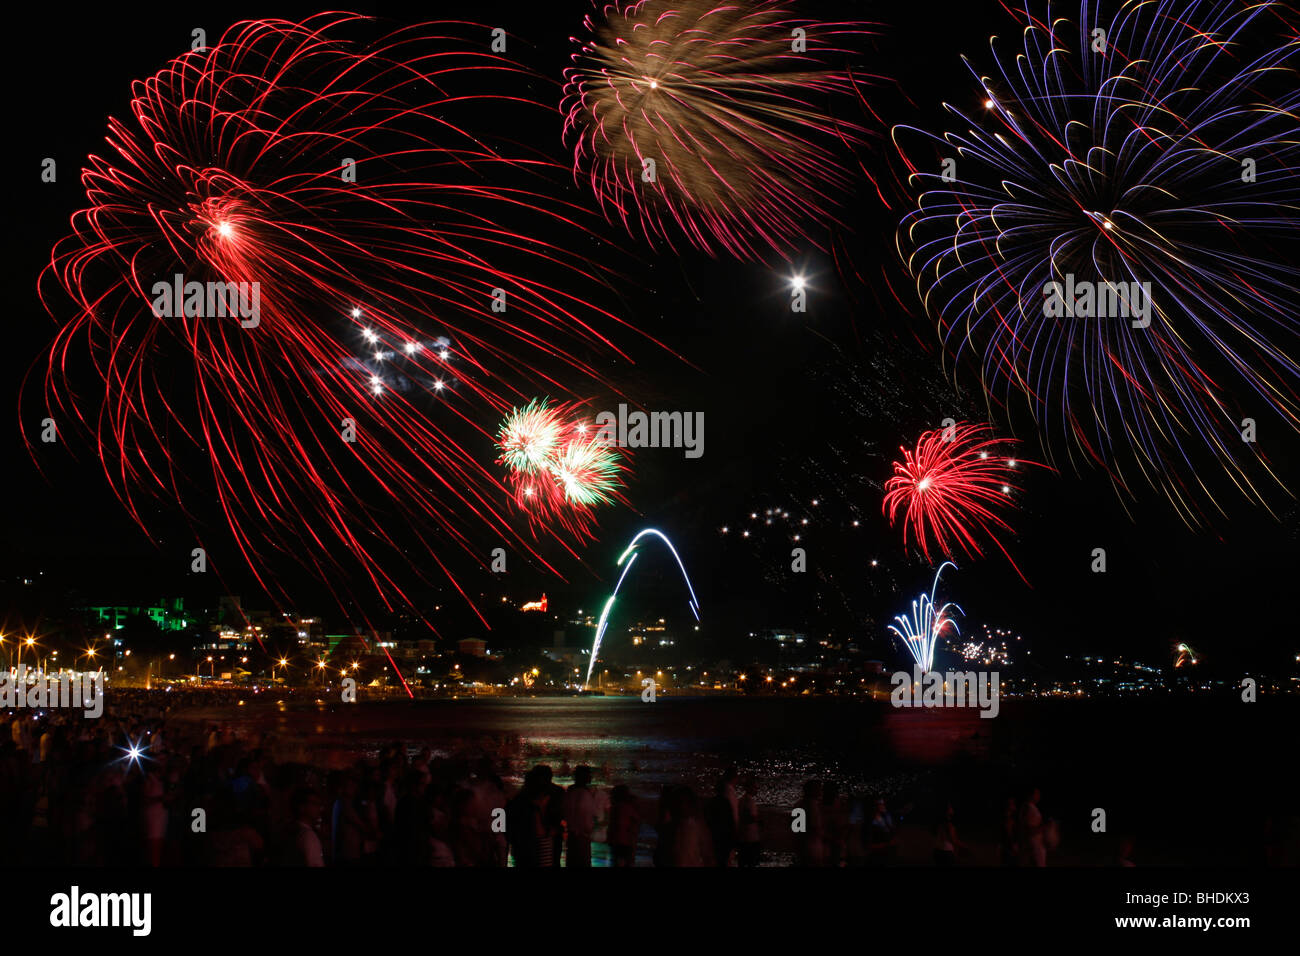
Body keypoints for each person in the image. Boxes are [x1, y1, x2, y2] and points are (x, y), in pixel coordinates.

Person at [563, 765, 597, 867]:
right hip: (582, 837)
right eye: (589, 775)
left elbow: (566, 814)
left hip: (572, 836)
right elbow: (586, 820)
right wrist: (589, 829)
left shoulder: (570, 792)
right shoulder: (585, 794)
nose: (591, 777)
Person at [608, 785, 640, 867]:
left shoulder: (618, 808)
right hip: (626, 841)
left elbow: (618, 825)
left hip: (621, 842)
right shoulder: (628, 807)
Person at [1017, 787, 1047, 867]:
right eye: (1037, 794)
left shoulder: (1029, 807)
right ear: (1031, 795)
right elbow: (1029, 830)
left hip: (1033, 846)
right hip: (1033, 847)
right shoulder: (1029, 808)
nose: (1039, 796)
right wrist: (1045, 827)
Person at [737, 778, 761, 867]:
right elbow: (752, 817)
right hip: (751, 837)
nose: (756, 790)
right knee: (752, 861)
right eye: (755, 788)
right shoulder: (750, 801)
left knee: (743, 861)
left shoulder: (741, 800)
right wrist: (759, 820)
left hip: (743, 836)